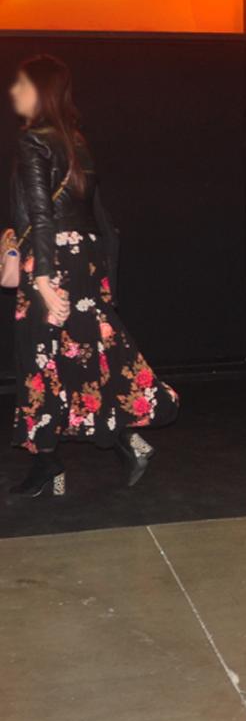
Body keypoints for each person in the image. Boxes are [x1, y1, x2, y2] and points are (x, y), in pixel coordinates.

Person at [4, 54, 179, 498]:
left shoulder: (33, 141)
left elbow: (41, 215)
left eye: (22, 85)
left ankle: (50, 464)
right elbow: (93, 216)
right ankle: (121, 441)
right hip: (83, 259)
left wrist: (43, 280)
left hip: (49, 262)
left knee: (40, 360)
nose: (13, 92)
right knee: (84, 356)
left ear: (40, 91)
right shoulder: (76, 141)